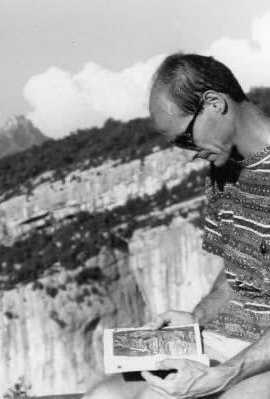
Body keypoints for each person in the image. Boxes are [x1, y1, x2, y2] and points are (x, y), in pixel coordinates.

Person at [84, 53, 270, 399]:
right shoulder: (223, 171)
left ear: (214, 103)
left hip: (259, 358)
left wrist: (226, 375)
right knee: (104, 396)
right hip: (229, 341)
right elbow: (238, 270)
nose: (191, 152)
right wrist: (195, 319)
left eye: (187, 137)